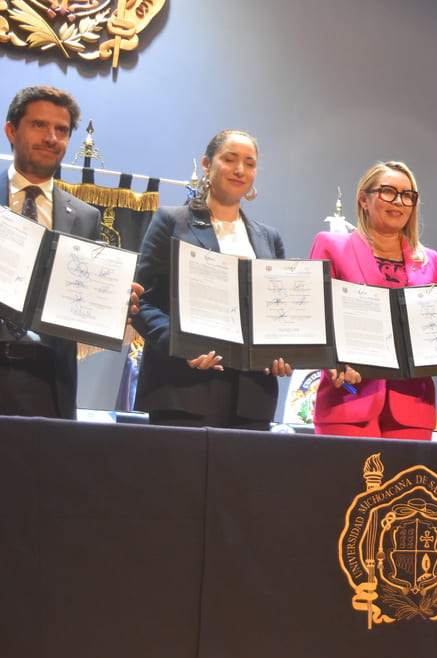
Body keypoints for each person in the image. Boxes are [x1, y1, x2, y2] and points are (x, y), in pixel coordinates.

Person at [132, 129, 291, 429]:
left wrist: (281, 352)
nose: (240, 170)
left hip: (252, 398)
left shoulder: (269, 238)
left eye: (250, 163)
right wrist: (182, 346)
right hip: (182, 391)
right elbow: (142, 302)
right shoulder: (171, 222)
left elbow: (277, 314)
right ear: (207, 164)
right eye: (230, 159)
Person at [1, 85, 140, 418]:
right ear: (11, 131)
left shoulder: (85, 217)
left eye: (61, 130)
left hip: (49, 383)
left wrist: (115, 304)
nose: (51, 138)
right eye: (39, 125)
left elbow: (82, 304)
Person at [309, 160, 437, 439]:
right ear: (364, 199)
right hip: (348, 398)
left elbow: (432, 328)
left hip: (412, 405)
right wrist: (332, 361)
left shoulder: (428, 260)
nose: (399, 201)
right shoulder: (331, 245)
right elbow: (315, 318)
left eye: (407, 195)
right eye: (388, 191)